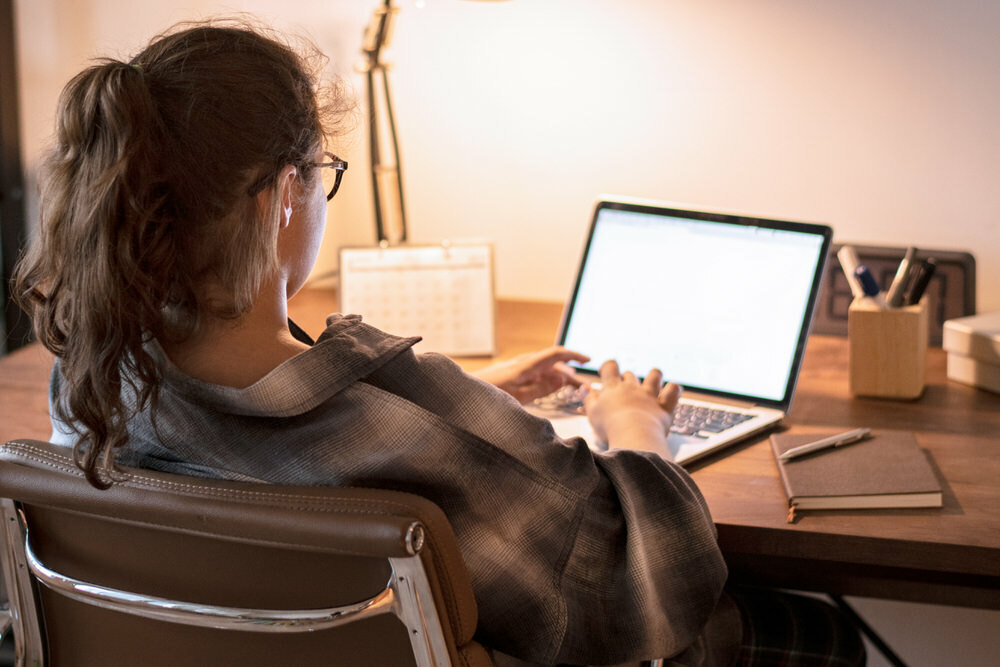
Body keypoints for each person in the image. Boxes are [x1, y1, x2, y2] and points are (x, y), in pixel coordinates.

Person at [12, 19, 864, 667]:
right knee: (819, 633)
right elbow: (637, 582)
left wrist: (476, 391)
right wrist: (638, 426)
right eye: (323, 172)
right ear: (281, 197)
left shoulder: (91, 381)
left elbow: (286, 428)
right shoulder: (410, 412)